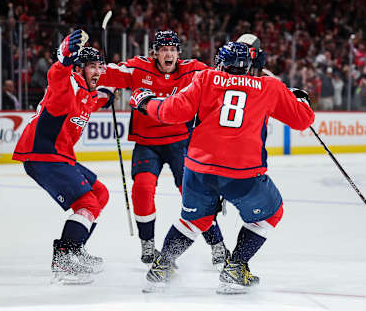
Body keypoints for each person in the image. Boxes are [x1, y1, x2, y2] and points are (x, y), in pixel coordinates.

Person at [130, 42, 315, 294]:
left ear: (221, 63)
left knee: (194, 220)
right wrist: (300, 99)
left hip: (199, 170)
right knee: (271, 213)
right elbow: (303, 120)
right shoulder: (269, 87)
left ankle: (161, 268)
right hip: (242, 173)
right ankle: (235, 268)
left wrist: (145, 102)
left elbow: (170, 112)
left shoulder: (205, 78)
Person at [97, 30, 228, 269]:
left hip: (181, 143)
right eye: (163, 50)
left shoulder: (193, 70)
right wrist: (106, 86)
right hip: (147, 144)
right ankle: (148, 246)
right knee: (143, 189)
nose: (168, 54)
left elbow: (223, 77)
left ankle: (218, 246)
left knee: (195, 196)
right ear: (155, 53)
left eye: (172, 50)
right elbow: (106, 73)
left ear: (179, 53)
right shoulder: (139, 69)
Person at [12, 30, 115, 284]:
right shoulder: (68, 84)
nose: (98, 72)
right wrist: (64, 59)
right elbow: (57, 77)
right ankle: (64, 259)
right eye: (92, 67)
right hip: (43, 154)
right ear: (78, 69)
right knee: (88, 204)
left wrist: (107, 96)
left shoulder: (88, 93)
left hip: (61, 155)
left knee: (100, 194)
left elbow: (92, 100)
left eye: (100, 67)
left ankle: (75, 249)